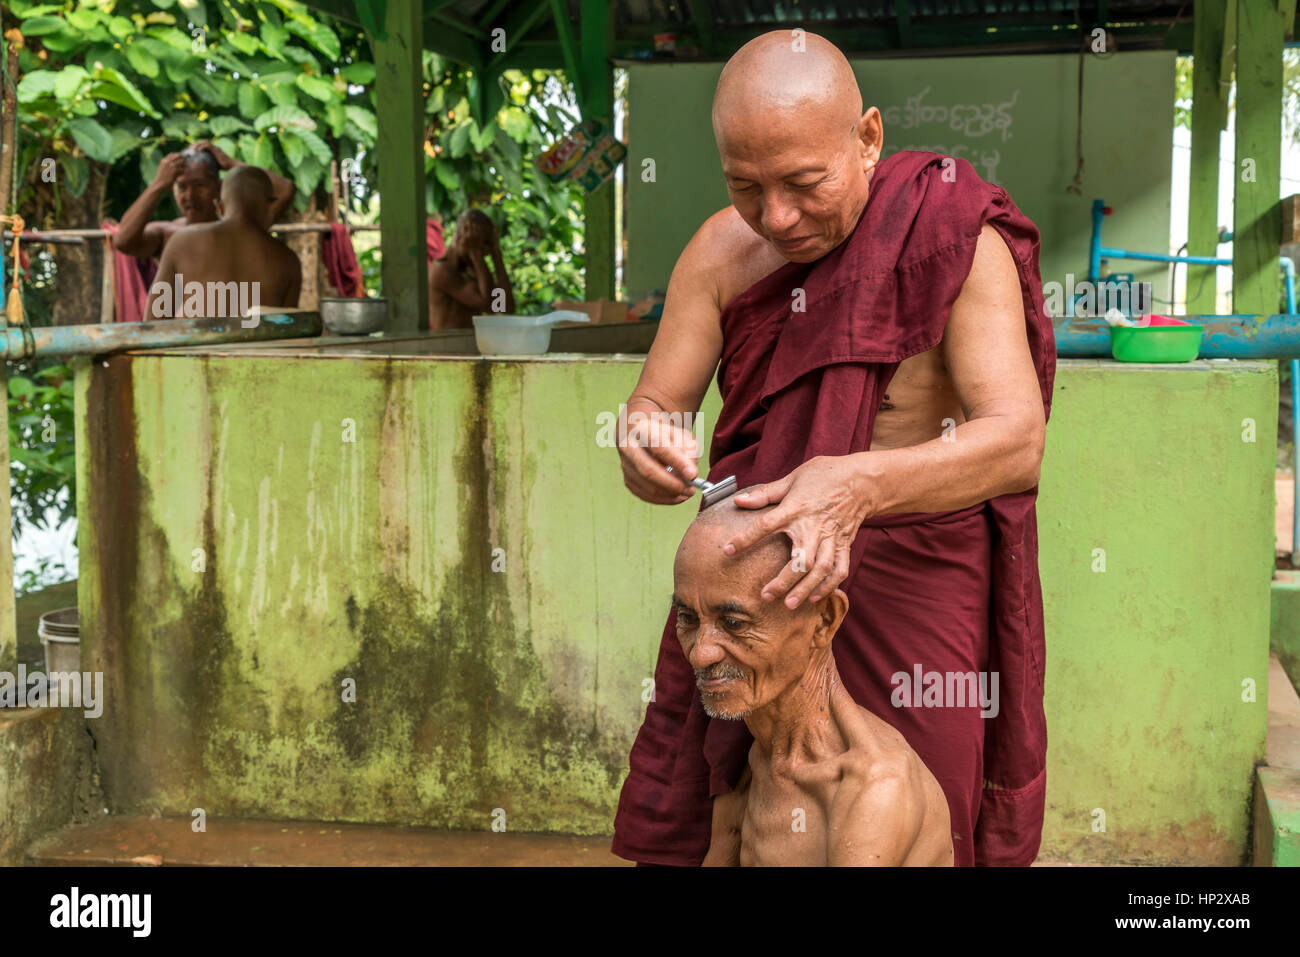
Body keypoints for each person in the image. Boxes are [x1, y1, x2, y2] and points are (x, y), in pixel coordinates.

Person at [612, 30, 1055, 867]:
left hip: (910, 583)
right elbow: (653, 408)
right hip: (763, 592)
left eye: (804, 184)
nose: (777, 216)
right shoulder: (718, 254)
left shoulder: (952, 237)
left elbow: (1015, 443)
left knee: (920, 819)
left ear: (868, 137)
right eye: (746, 187)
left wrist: (853, 485)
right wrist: (644, 443)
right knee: (729, 815)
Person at [673, 493, 953, 866]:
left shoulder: (873, 789)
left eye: (734, 624)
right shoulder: (754, 753)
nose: (700, 653)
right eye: (688, 619)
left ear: (823, 621)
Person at [145, 166, 300, 319]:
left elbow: (153, 322)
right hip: (261, 345)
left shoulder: (182, 241)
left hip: (200, 343)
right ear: (269, 205)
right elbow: (290, 329)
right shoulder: (288, 260)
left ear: (219, 207)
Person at [112, 141, 294, 260]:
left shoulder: (242, 230)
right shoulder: (166, 234)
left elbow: (285, 189)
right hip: (179, 320)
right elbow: (123, 241)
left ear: (218, 186)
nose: (190, 196)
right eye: (182, 187)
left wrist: (230, 163)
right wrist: (158, 184)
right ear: (172, 188)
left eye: (200, 185)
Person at [428, 209, 515, 330]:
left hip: (470, 347)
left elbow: (503, 308)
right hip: (447, 347)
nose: (486, 251)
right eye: (483, 243)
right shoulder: (442, 269)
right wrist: (476, 254)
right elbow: (488, 305)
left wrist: (497, 256)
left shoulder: (472, 269)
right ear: (462, 237)